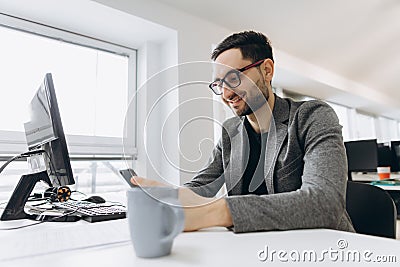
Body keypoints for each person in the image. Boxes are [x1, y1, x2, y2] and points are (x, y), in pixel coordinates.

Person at [132, 31, 355, 233]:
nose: (226, 93)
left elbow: (325, 204)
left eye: (233, 78)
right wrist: (170, 196)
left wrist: (220, 211)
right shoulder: (230, 133)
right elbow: (202, 188)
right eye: (219, 84)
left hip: (323, 249)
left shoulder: (312, 116)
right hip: (257, 250)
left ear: (267, 70)